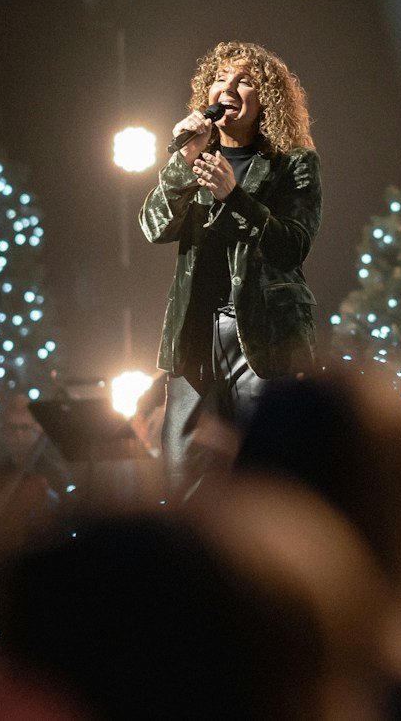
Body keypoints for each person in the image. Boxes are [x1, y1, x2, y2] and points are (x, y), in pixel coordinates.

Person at [140, 41, 321, 503]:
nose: (230, 87)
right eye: (221, 77)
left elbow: (292, 246)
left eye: (246, 80)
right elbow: (153, 227)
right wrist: (182, 163)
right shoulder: (194, 158)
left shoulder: (292, 164)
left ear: (268, 100)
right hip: (195, 332)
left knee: (266, 474)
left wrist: (234, 197)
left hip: (264, 333)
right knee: (181, 475)